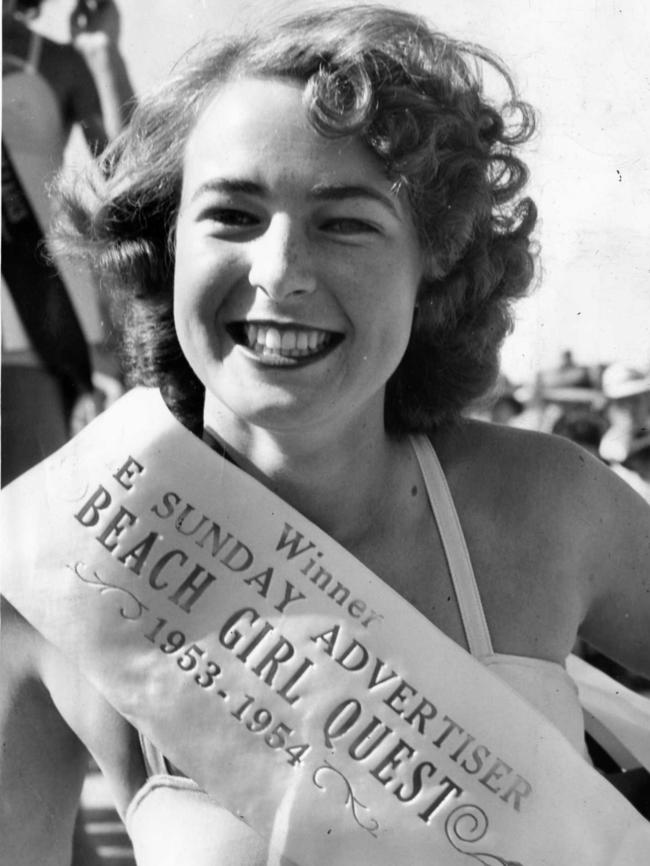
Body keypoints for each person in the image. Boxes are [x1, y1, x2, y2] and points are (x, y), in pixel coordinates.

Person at [1, 5, 649, 864]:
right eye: (231, 215)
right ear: (164, 250)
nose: (278, 271)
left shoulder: (551, 507)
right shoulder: (52, 571)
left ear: (435, 268)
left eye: (345, 222)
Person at [1, 0, 133, 485]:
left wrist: (102, 57)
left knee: (21, 520)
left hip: (31, 326)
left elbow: (132, 180)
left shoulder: (57, 62)